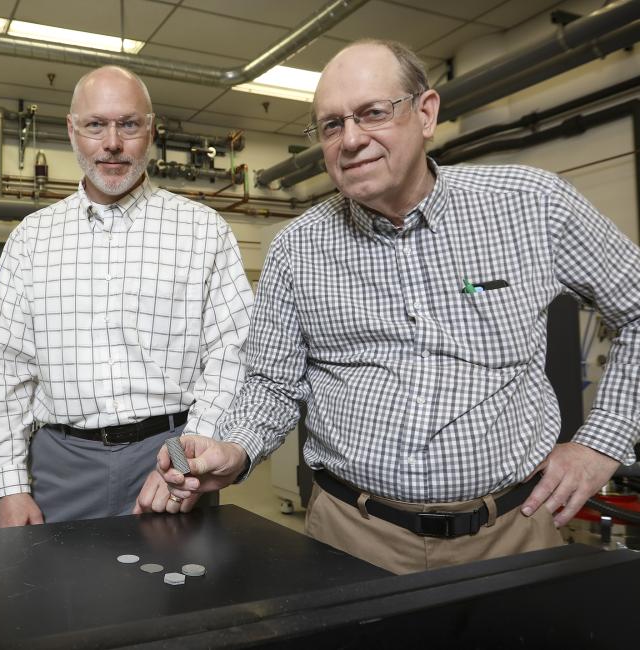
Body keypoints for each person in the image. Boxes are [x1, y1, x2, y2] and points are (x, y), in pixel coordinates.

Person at [155, 40, 640, 574]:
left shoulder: (531, 205)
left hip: (513, 531)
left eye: (373, 113)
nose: (352, 139)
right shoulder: (297, 248)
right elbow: (272, 383)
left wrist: (601, 443)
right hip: (351, 535)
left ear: (426, 112)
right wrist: (237, 447)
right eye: (332, 125)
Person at [0, 65, 254, 526]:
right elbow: (5, 371)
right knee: (60, 595)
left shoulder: (203, 231)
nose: (111, 142)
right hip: (60, 464)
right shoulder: (31, 239)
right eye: (95, 125)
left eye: (128, 124)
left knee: (178, 594)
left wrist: (184, 463)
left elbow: (231, 356)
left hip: (172, 453)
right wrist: (10, 487)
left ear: (150, 130)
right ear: (72, 130)